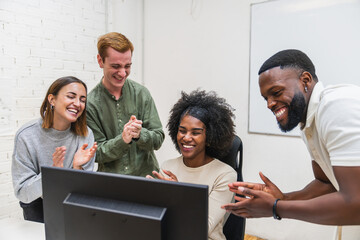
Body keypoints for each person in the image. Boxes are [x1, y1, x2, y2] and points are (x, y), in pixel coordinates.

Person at [222, 49, 360, 228]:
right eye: (266, 98)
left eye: (277, 92)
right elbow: (327, 183)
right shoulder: (309, 120)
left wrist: (275, 208)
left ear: (305, 81)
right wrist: (283, 198)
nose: (270, 104)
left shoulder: (336, 107)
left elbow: (355, 203)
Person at [148, 90, 237, 240]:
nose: (186, 138)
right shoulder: (167, 167)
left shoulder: (225, 174)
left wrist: (179, 194)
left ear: (209, 137)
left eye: (195, 133)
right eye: (182, 131)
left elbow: (202, 229)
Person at [12, 76, 98, 223]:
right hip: (38, 208)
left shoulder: (85, 134)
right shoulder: (26, 135)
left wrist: (78, 168)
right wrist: (51, 174)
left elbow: (86, 193)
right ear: (52, 100)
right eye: (71, 96)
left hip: (73, 204)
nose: (77, 104)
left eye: (82, 100)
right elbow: (23, 193)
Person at [86, 32, 164, 176]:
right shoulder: (90, 104)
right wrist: (122, 140)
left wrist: (140, 134)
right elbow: (96, 153)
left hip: (147, 179)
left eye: (127, 66)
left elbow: (158, 139)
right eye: (116, 66)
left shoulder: (141, 93)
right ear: (100, 61)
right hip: (112, 185)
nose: (122, 73)